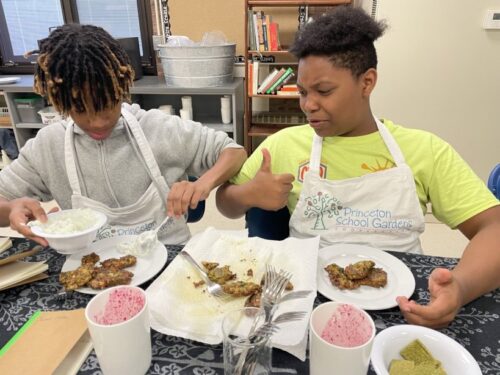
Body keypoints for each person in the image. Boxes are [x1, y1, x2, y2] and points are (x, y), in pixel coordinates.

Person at [216, 6, 500, 328]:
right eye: (304, 92)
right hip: (307, 304)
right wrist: (248, 195)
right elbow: (225, 202)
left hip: (402, 304)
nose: (308, 105)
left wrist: (460, 287)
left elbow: (494, 228)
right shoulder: (283, 145)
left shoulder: (424, 150)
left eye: (324, 91)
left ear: (367, 82)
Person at [0, 24, 246, 246]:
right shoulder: (48, 146)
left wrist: (202, 184)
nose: (97, 121)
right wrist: (11, 208)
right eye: (81, 109)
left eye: (106, 104)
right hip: (89, 268)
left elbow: (234, 152)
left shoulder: (160, 128)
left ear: (122, 89)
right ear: (60, 103)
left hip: (168, 261)